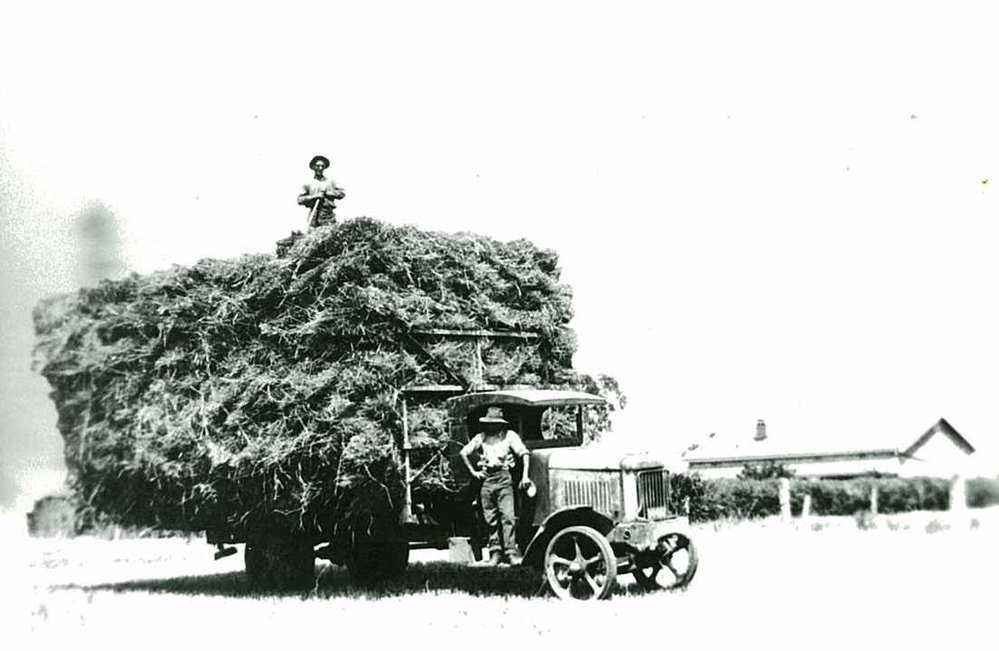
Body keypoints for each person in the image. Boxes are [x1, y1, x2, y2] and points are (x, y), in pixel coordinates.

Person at [459, 406, 531, 566]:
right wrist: (474, 472)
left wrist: (525, 475)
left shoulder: (509, 436)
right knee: (490, 519)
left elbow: (524, 453)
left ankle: (511, 553)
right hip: (486, 480)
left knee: (508, 517)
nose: (492, 426)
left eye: (495, 423)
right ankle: (495, 552)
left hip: (504, 478)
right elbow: (464, 452)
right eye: (489, 423)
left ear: (501, 423)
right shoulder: (481, 437)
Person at [298, 155, 346, 228]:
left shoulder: (330, 182)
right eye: (318, 166)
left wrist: (328, 193)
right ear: (314, 167)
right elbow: (300, 200)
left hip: (328, 216)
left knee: (329, 236)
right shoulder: (308, 183)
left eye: (322, 166)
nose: (320, 168)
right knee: (312, 237)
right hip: (313, 216)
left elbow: (342, 193)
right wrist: (315, 196)